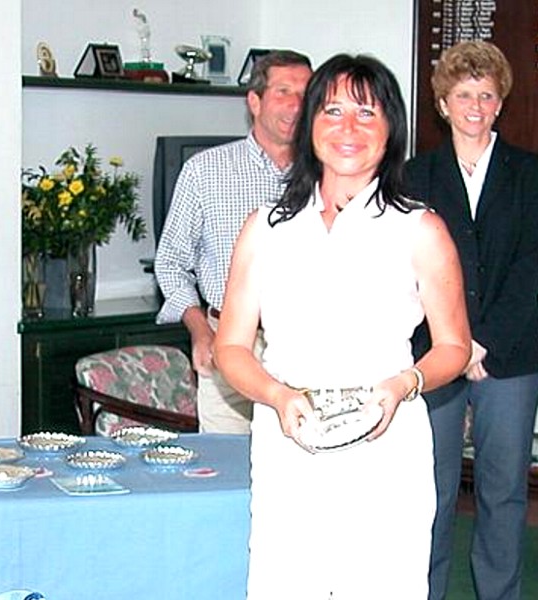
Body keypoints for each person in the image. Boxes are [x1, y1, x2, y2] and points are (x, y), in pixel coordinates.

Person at [213, 54, 471, 598]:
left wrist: (405, 384)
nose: (348, 128)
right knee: (285, 585)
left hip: (386, 441)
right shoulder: (266, 228)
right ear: (309, 125)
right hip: (288, 440)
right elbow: (230, 347)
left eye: (366, 113)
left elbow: (453, 345)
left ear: (390, 129)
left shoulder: (420, 228)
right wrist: (277, 396)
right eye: (332, 111)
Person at [403, 40, 538, 600]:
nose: (475, 107)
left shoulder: (530, 174)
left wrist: (483, 342)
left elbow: (533, 267)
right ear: (443, 104)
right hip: (434, 355)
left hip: (510, 356)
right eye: (463, 95)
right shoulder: (414, 176)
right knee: (428, 492)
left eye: (486, 95)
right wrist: (454, 342)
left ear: (500, 103)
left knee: (502, 491)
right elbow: (408, 269)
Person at [154, 49, 312, 434]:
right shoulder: (205, 170)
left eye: (305, 94)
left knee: (302, 459)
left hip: (304, 347)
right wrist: (200, 330)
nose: (295, 105)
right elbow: (171, 262)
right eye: (283, 92)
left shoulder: (328, 173)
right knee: (227, 461)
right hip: (227, 342)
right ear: (254, 101)